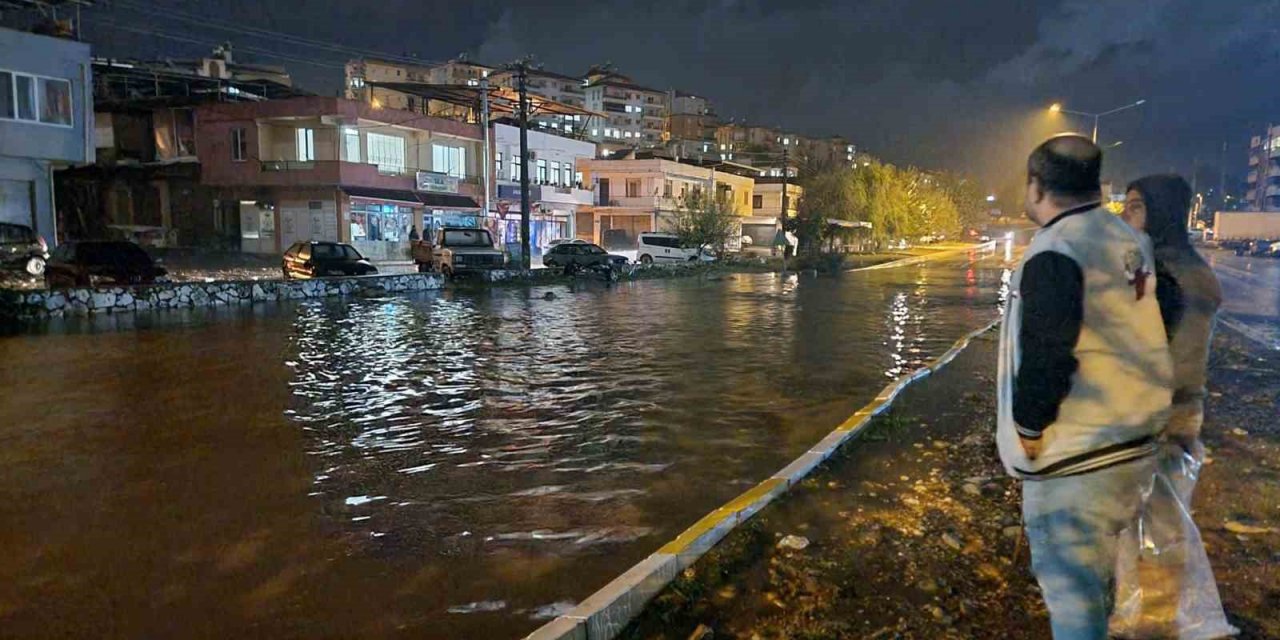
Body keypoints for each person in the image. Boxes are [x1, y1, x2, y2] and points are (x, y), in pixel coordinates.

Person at [996, 134, 1174, 639]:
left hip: (1079, 457)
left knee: (1072, 595)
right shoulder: (1127, 239)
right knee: (1098, 580)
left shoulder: (1057, 249)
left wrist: (1029, 428)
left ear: (1035, 187)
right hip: (1134, 445)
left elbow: (1049, 353)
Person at [1116, 175, 1224, 634]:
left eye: (1136, 207)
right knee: (1158, 522)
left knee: (1156, 526)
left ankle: (1153, 622)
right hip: (1176, 410)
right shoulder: (1186, 266)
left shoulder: (1164, 274)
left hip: (1158, 414)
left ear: (1160, 212)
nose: (1126, 215)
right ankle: (1143, 611)